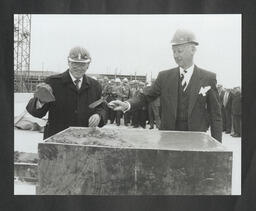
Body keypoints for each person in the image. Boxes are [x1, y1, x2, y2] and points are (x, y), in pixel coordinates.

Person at [109, 29, 222, 142]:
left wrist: (218, 146)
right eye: (174, 52)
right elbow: (145, 96)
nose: (176, 55)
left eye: (179, 51)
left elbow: (215, 116)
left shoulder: (208, 78)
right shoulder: (164, 77)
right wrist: (127, 104)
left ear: (192, 49)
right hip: (168, 140)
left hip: (196, 142)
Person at [26, 46, 107, 139]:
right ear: (68, 62)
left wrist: (99, 115)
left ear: (88, 65)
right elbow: (37, 113)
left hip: (84, 139)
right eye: (75, 63)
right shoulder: (52, 82)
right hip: (56, 139)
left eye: (82, 64)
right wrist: (41, 101)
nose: (78, 67)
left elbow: (102, 107)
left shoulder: (95, 86)